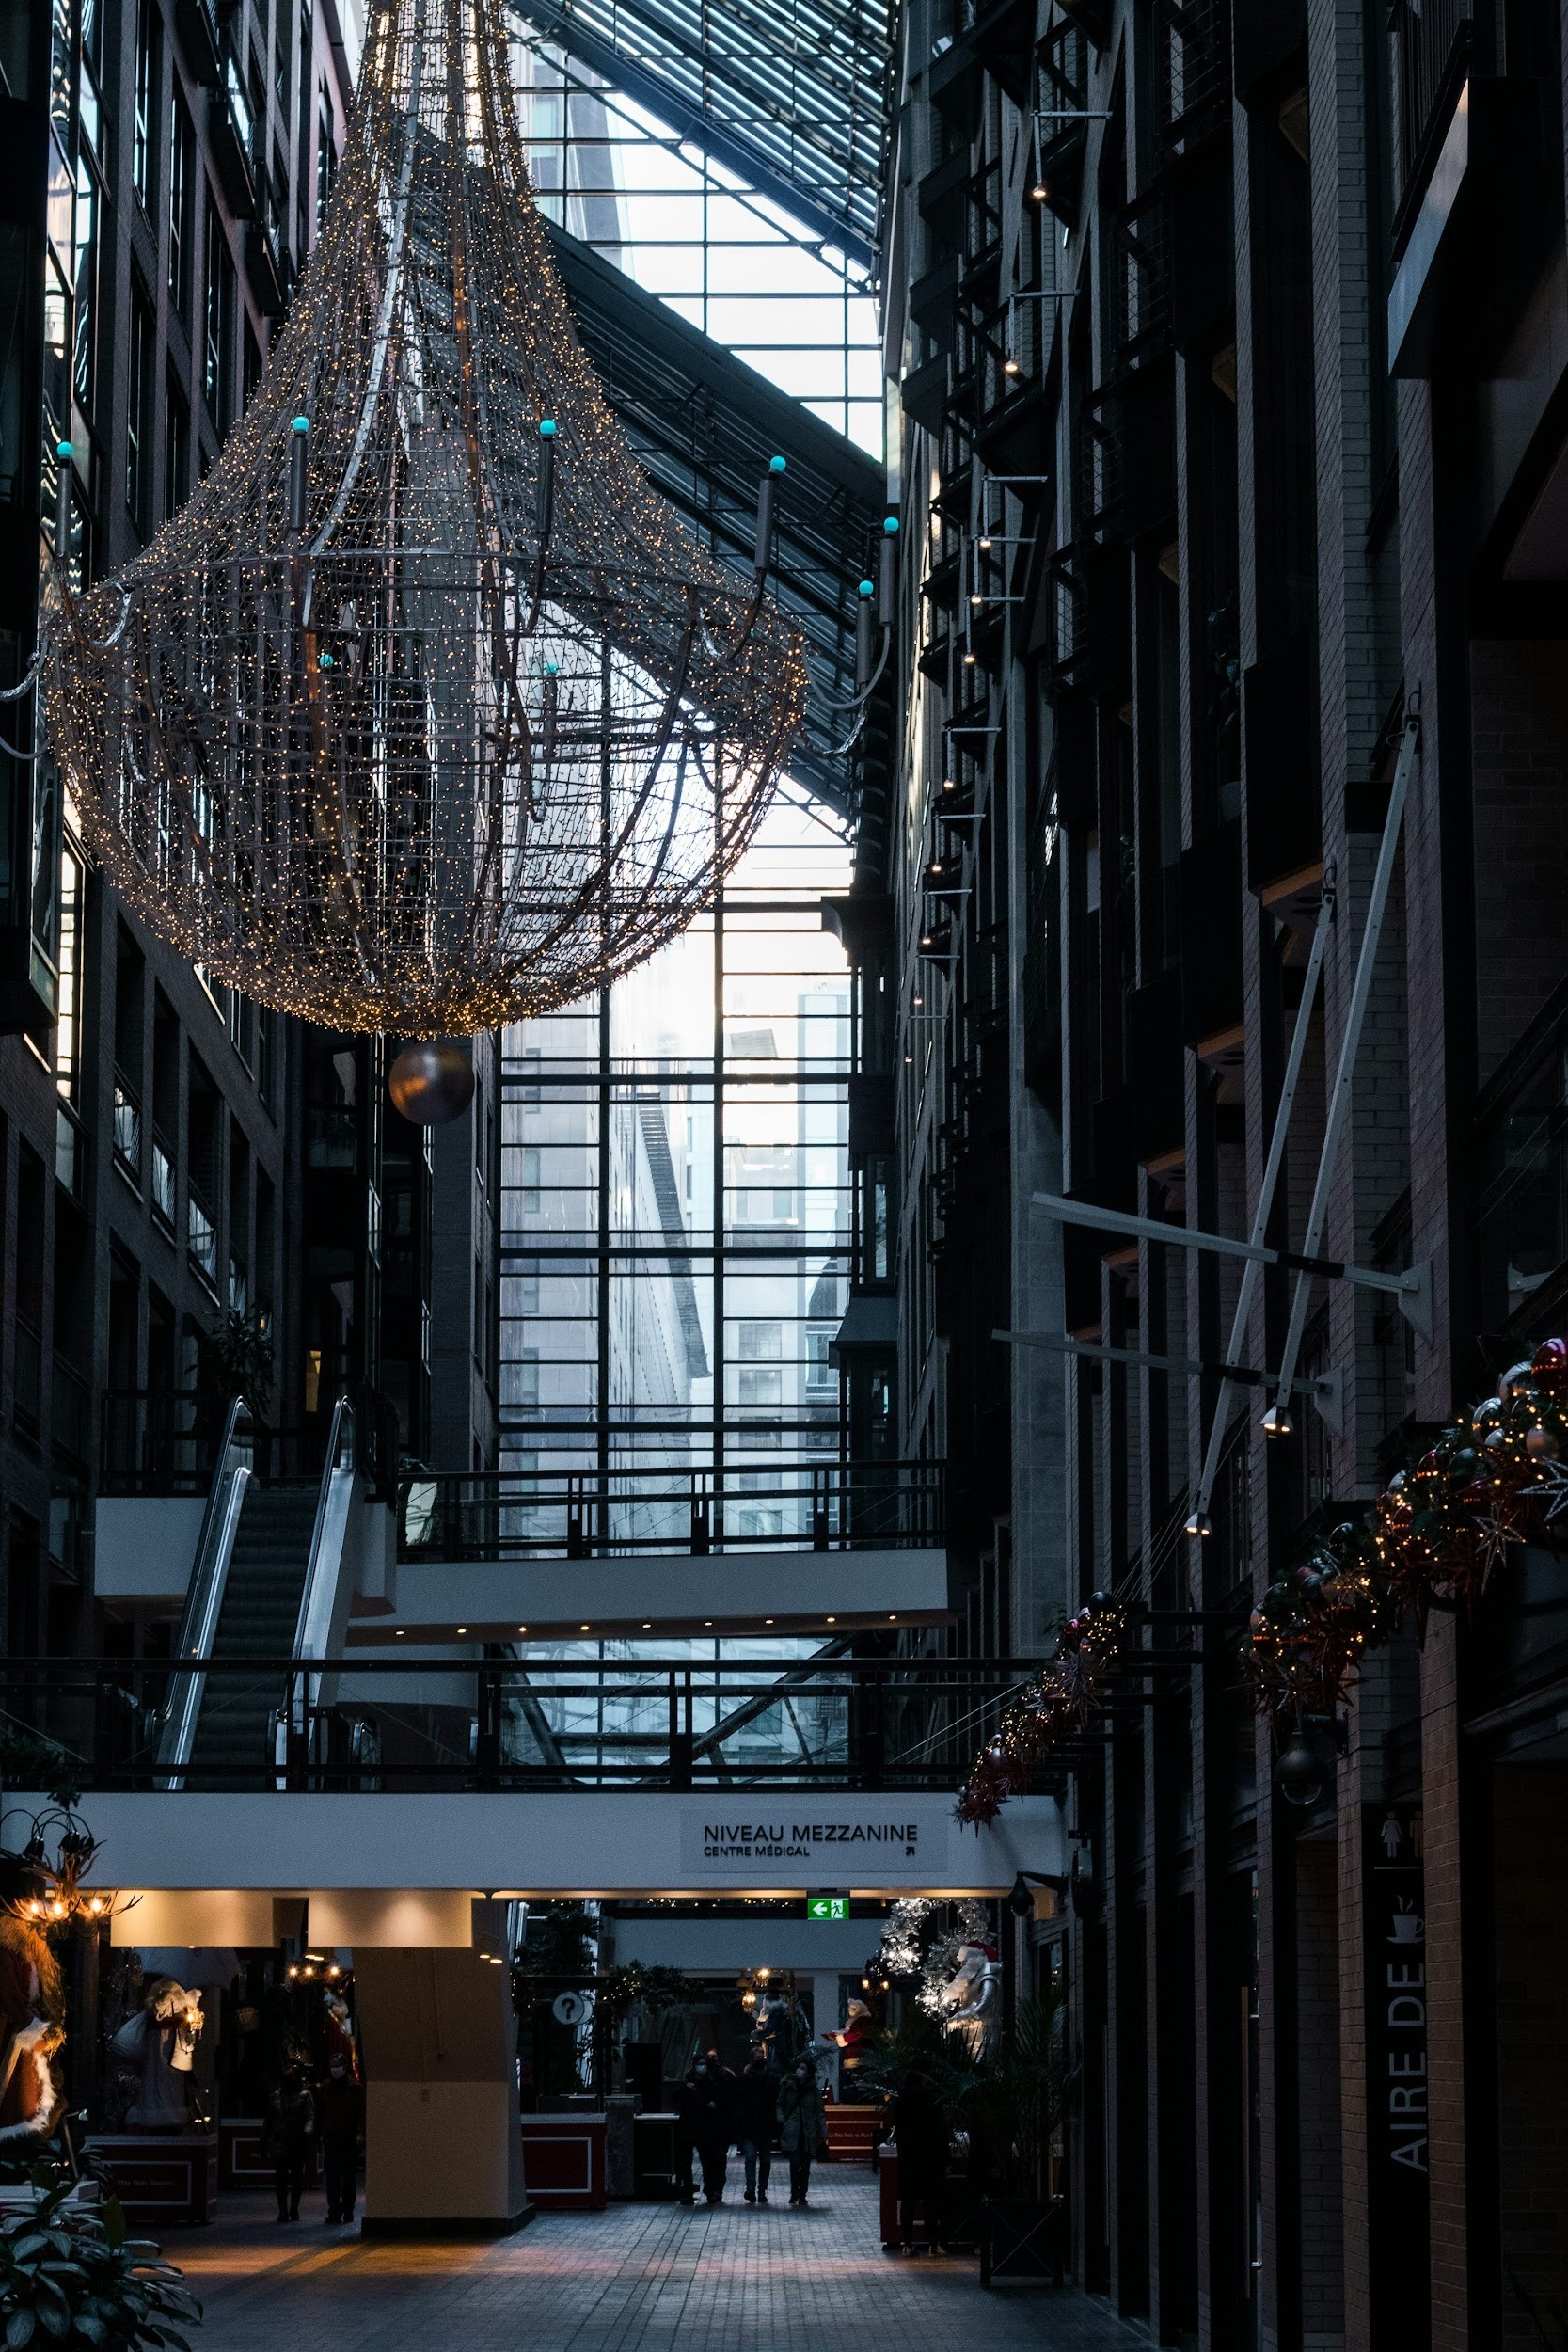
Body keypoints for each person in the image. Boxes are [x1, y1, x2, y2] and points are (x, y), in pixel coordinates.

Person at [890, 2071, 949, 2253]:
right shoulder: (933, 2100)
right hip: (930, 2157)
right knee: (931, 2201)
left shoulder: (900, 2101)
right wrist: (945, 2158)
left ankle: (907, 2244)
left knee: (908, 2201)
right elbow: (941, 2132)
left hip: (908, 2157)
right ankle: (933, 2244)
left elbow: (897, 2129)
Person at [675, 2051, 736, 2205]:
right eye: (699, 2064)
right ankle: (689, 2191)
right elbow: (674, 2096)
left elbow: (723, 2100)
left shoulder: (712, 2083)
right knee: (687, 2161)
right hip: (689, 2126)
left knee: (707, 2161)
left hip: (705, 2128)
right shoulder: (688, 2082)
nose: (701, 2067)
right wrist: (684, 2087)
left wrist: (715, 2104)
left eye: (703, 2064)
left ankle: (709, 2189)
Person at [261, 2066, 316, 2222]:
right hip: (280, 2142)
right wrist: (263, 2139)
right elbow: (269, 2120)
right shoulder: (275, 2097)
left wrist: (307, 2132)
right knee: (281, 2179)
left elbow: (310, 2117)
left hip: (298, 2142)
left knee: (297, 2178)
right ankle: (283, 2209)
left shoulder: (305, 2096)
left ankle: (294, 2208)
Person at [317, 2051, 364, 2226]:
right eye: (333, 2066)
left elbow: (360, 2113)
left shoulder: (355, 2089)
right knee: (334, 2178)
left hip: (348, 2138)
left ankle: (347, 2210)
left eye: (338, 2066)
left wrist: (359, 2133)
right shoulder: (325, 2089)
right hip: (332, 2138)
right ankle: (335, 2211)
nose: (335, 2069)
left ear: (344, 2067)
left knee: (348, 2177)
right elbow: (320, 2115)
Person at [777, 2055, 826, 2207]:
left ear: (809, 2072)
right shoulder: (788, 2086)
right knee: (794, 2164)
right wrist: (782, 2119)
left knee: (805, 2167)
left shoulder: (814, 2091)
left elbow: (819, 2112)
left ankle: (802, 2194)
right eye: (799, 2067)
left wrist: (823, 2131)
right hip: (793, 2130)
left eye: (803, 2068)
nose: (800, 2071)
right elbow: (779, 2104)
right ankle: (794, 2193)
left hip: (807, 2132)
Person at [737, 2049, 778, 2204]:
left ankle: (758, 2190)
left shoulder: (770, 2079)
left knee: (761, 2160)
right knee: (753, 2158)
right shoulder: (750, 2079)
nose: (759, 2058)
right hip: (753, 2125)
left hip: (762, 2125)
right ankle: (754, 2189)